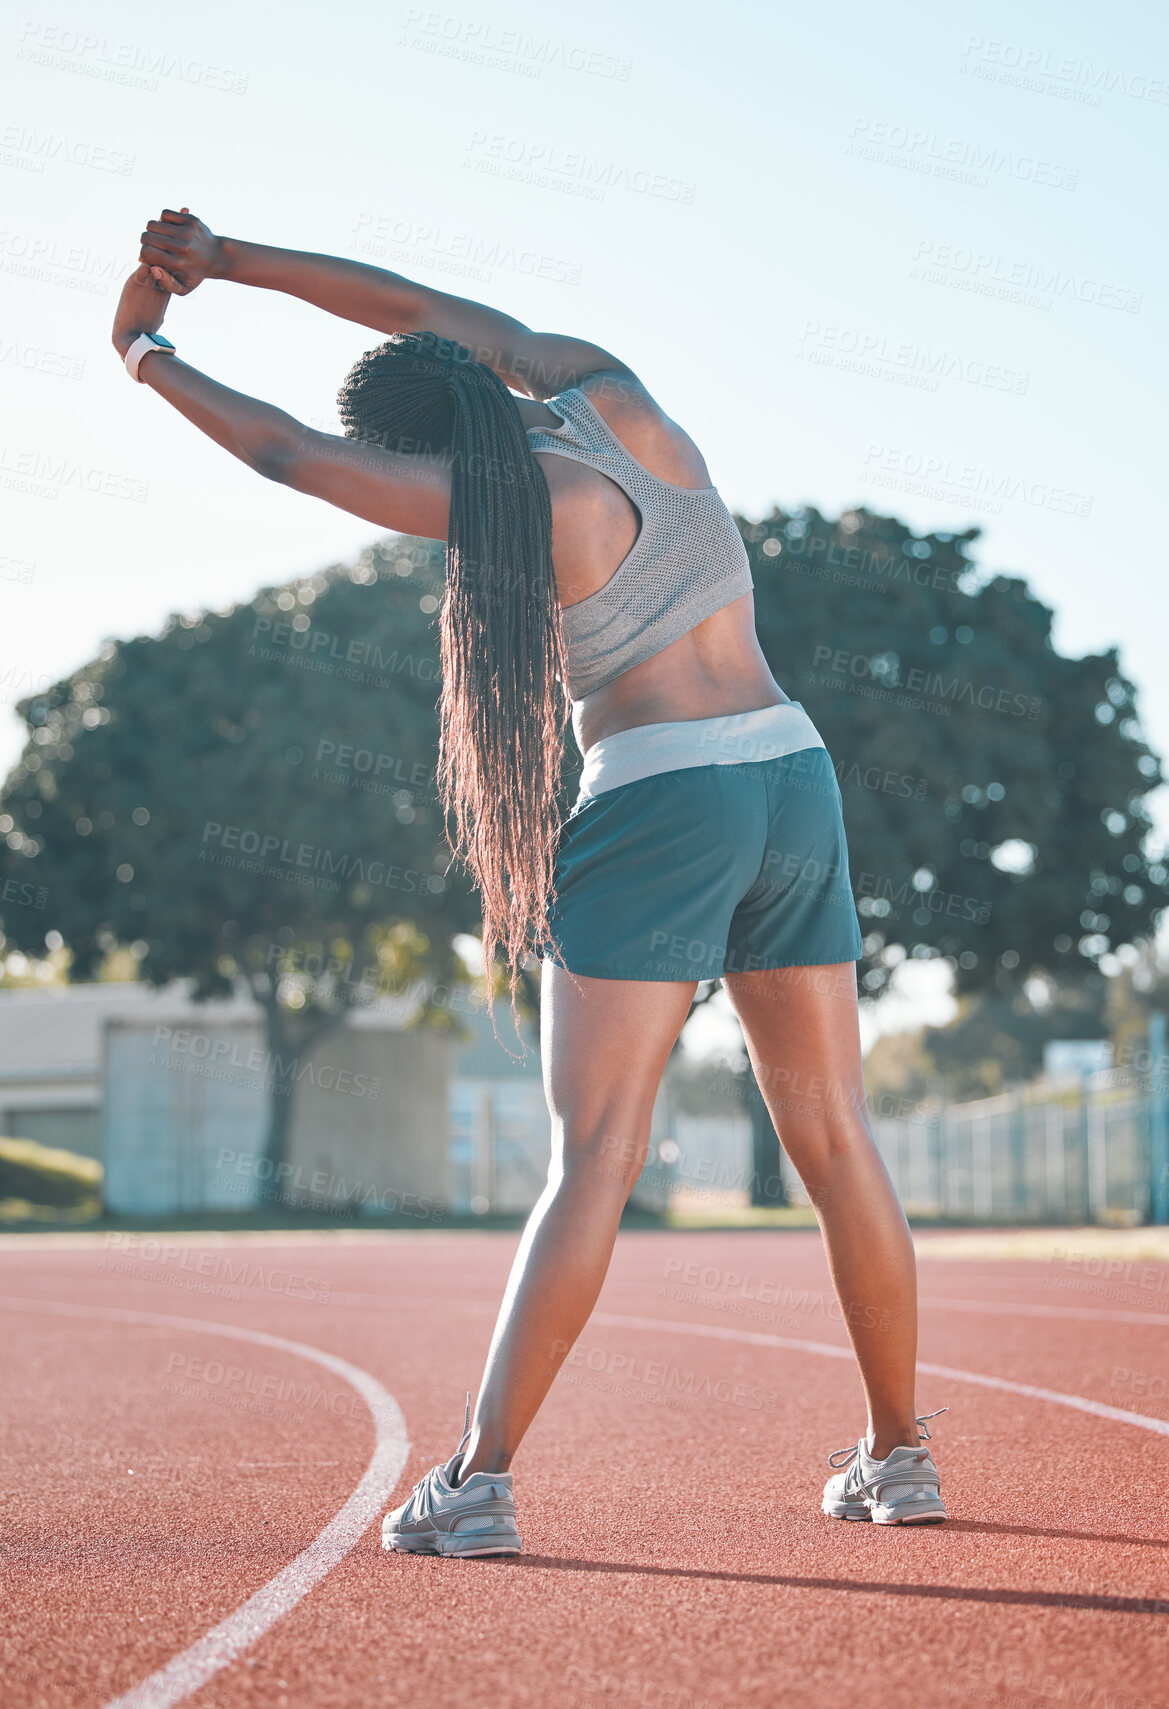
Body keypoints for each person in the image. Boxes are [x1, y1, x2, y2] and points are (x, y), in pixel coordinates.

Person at [116, 209, 947, 1555]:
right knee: (838, 1133)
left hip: (660, 795)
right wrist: (233, 259)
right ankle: (898, 1453)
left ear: (432, 450)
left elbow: (285, 452)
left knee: (595, 1155)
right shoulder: (603, 388)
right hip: (793, 771)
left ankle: (478, 1478)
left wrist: (144, 349)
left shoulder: (504, 499)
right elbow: (409, 299)